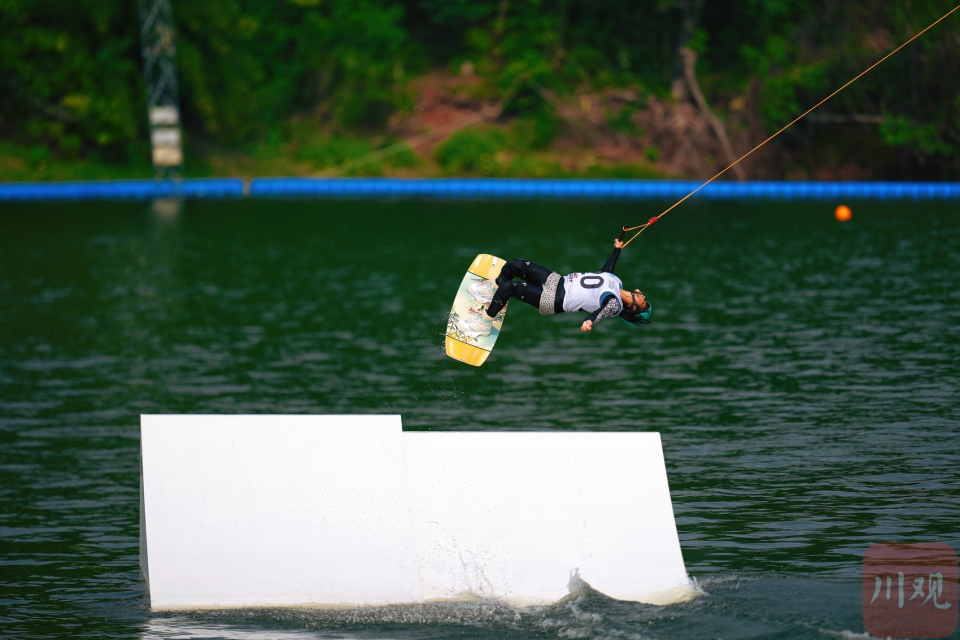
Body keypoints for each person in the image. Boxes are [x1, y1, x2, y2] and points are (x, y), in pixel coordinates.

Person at [456, 238, 652, 338]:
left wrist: (589, 322)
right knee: (515, 264)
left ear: (634, 308)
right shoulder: (616, 283)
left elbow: (600, 312)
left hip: (556, 300)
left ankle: (483, 324)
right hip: (558, 281)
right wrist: (616, 250)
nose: (643, 295)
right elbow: (606, 273)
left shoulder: (614, 304)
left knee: (510, 288)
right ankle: (493, 291)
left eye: (644, 303)